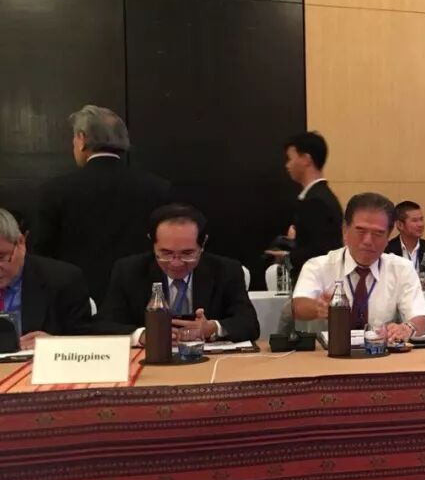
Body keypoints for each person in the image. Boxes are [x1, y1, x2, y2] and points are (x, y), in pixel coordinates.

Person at [35, 105, 170, 304]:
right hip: (141, 298)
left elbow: (42, 255)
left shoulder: (54, 191)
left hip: (75, 299)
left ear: (82, 139)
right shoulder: (158, 189)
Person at [98, 204, 260, 342]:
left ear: (203, 243)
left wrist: (212, 328)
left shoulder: (226, 270)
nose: (176, 263)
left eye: (187, 253)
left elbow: (249, 324)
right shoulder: (128, 271)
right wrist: (143, 335)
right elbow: (104, 325)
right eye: (166, 253)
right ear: (152, 243)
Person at [292, 192, 425, 344]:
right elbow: (298, 306)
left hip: (381, 353)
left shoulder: (401, 268)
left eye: (378, 233)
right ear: (345, 230)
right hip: (328, 353)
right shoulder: (318, 266)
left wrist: (407, 328)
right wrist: (318, 307)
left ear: (388, 237)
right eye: (361, 231)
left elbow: (420, 318)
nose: (368, 241)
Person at [0, 208, 93, 350]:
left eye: (1, 257)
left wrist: (55, 344)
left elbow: (88, 342)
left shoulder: (63, 280)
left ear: (21, 243)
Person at [271, 131, 343, 281]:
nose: (287, 165)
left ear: (306, 159)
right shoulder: (318, 196)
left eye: (290, 159)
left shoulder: (316, 201)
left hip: (315, 284)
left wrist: (288, 256)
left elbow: (320, 252)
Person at [386, 200, 425, 273]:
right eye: (415, 220)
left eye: (421, 219)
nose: (421, 224)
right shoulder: (387, 250)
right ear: (400, 225)